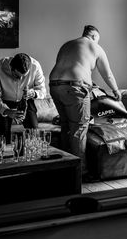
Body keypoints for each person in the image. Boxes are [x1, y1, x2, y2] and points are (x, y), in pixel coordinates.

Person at [49, 25, 120, 179]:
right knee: (79, 129)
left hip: (55, 85)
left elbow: (72, 66)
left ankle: (65, 168)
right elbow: (108, 75)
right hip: (75, 87)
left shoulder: (67, 45)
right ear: (94, 36)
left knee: (66, 125)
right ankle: (80, 173)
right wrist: (116, 91)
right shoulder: (95, 46)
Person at [0, 53, 47, 139]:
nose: (20, 79)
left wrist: (33, 93)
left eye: (24, 76)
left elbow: (43, 91)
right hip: (4, 101)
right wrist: (6, 111)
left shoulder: (35, 66)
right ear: (11, 67)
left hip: (26, 100)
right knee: (2, 136)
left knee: (34, 133)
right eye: (16, 75)